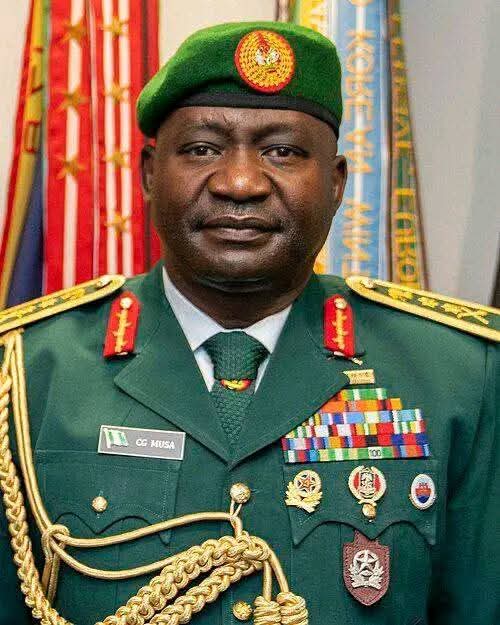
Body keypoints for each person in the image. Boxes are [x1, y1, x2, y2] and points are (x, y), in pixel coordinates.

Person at [0, 21, 498, 625]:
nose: (240, 183)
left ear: (336, 183)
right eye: (202, 149)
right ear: (150, 173)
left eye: (281, 151)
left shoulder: (461, 378)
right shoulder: (26, 373)